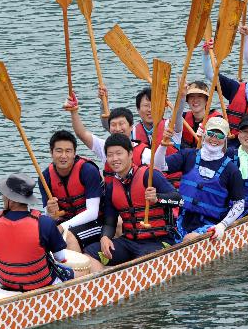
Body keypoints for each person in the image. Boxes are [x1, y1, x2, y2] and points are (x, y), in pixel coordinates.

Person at [83, 134, 179, 272]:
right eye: (110, 155)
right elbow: (110, 222)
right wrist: (105, 237)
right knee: (90, 253)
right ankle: (103, 285)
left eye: (119, 153)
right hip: (130, 242)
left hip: (159, 241)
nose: (114, 159)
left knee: (141, 261)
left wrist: (158, 198)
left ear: (130, 154)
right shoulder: (111, 187)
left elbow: (179, 200)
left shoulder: (149, 175)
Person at [154, 117, 245, 242]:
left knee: (188, 240)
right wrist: (163, 145)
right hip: (183, 219)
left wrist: (222, 225)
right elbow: (158, 166)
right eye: (211, 134)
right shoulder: (188, 155)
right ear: (204, 134)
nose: (214, 139)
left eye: (219, 136)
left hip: (211, 224)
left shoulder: (231, 170)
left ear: (224, 140)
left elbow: (239, 204)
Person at [0, 173, 73, 291]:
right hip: (41, 284)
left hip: (8, 284)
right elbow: (60, 257)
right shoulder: (45, 223)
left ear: (10, 199)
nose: (3, 197)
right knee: (71, 273)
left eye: (4, 194)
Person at [40, 131, 104, 253]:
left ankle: (77, 272)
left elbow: (93, 213)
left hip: (97, 222)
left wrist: (62, 227)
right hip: (66, 221)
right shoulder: (45, 177)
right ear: (51, 153)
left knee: (68, 237)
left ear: (74, 153)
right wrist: (49, 211)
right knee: (38, 233)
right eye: (59, 151)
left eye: (68, 151)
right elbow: (50, 216)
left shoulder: (87, 170)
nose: (63, 155)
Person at [65, 93, 151, 178]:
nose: (117, 129)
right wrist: (74, 111)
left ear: (131, 127)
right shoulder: (105, 147)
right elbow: (82, 134)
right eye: (113, 125)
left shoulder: (146, 153)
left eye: (121, 124)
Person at [179, 81, 222, 149]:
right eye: (192, 96)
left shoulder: (217, 120)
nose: (195, 100)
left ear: (206, 100)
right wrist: (181, 96)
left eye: (200, 96)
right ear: (187, 100)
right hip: (187, 154)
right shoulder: (182, 117)